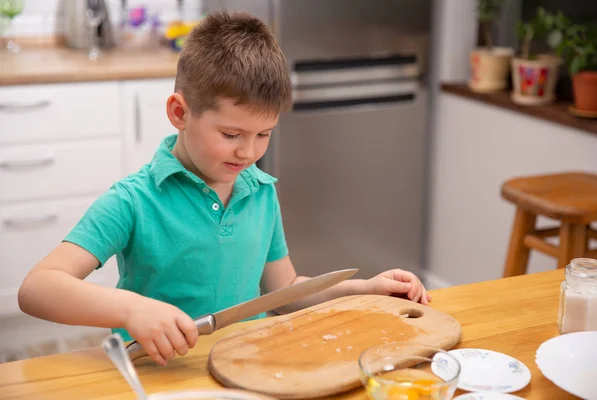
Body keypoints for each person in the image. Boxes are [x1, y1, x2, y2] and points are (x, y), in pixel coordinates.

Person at [17, 10, 430, 367]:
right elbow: (38, 288)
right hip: (157, 374)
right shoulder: (133, 200)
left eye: (264, 134)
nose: (248, 152)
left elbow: (282, 291)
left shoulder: (260, 192)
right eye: (232, 133)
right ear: (180, 113)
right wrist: (132, 309)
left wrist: (365, 289)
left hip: (245, 364)